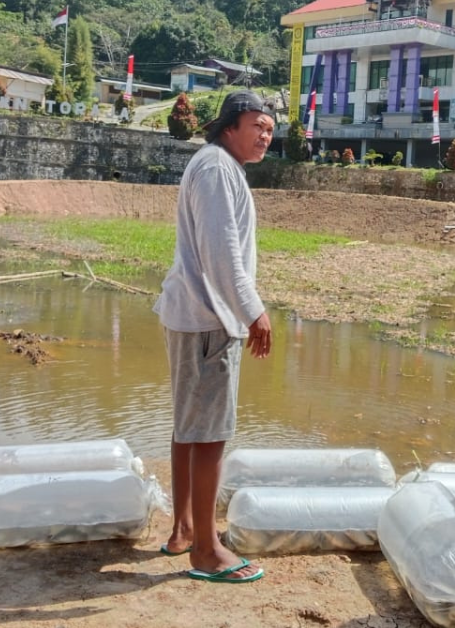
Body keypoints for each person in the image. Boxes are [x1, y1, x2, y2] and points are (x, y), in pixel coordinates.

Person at [152, 90, 275, 584]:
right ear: (229, 127)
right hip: (209, 318)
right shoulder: (217, 168)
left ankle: (184, 528)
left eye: (269, 128)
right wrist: (254, 312)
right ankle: (206, 549)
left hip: (193, 313)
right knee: (210, 435)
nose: (265, 135)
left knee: (190, 427)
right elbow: (222, 252)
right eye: (256, 125)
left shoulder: (217, 165)